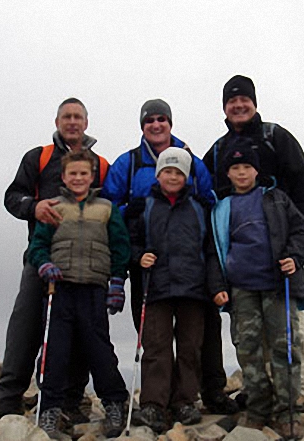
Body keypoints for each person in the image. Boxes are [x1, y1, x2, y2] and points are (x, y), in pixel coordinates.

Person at [203, 75, 304, 404]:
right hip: (243, 267)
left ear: (254, 103)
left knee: (290, 330)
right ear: (224, 107)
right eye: (231, 101)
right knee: (252, 337)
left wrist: (292, 239)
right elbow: (204, 190)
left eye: (244, 100)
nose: (238, 105)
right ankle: (262, 395)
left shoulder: (276, 137)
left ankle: (297, 394)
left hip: (282, 256)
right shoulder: (218, 150)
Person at [0, 98, 109, 422]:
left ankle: (70, 403)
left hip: (83, 264)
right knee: (26, 326)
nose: (72, 122)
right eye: (66, 116)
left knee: (78, 333)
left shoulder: (101, 164)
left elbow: (113, 209)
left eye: (78, 117)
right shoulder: (39, 157)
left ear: (86, 123)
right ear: (57, 121)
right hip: (40, 256)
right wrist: (34, 207)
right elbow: (12, 196)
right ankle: (8, 402)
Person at [211, 140, 304, 439]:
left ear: (257, 170)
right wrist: (218, 285)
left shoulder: (277, 199)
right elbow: (214, 250)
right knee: (248, 350)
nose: (241, 173)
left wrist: (294, 257)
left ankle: (286, 411)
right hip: (241, 289)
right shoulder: (221, 208)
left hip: (277, 286)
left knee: (285, 349)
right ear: (227, 173)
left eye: (247, 167)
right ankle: (257, 409)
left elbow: (300, 231)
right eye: (235, 168)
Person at [28, 150, 129, 439]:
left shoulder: (107, 209)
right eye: (73, 173)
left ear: (93, 176)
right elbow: (38, 246)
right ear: (63, 176)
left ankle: (114, 404)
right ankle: (49, 409)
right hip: (59, 289)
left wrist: (118, 282)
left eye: (84, 173)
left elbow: (120, 247)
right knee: (55, 351)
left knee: (99, 350)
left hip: (95, 290)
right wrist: (44, 263)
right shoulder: (54, 207)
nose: (78, 178)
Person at [127, 148, 227, 433]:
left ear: (187, 177)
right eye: (167, 171)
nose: (173, 176)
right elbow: (130, 241)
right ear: (158, 174)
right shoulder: (143, 205)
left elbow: (210, 251)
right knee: (156, 347)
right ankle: (153, 404)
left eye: (179, 172)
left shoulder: (199, 207)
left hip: (193, 289)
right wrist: (138, 257)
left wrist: (216, 286)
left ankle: (185, 400)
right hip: (156, 287)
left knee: (189, 348)